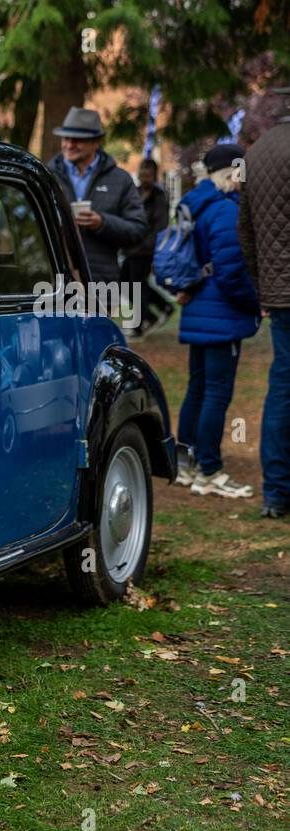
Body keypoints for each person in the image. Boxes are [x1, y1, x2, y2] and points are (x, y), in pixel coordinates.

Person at [174, 144, 260, 498]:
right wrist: (256, 303)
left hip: (198, 307)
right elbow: (231, 272)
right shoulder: (224, 211)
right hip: (221, 312)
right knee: (216, 392)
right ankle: (209, 470)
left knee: (198, 386)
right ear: (231, 173)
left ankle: (186, 461)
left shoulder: (194, 204)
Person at [238, 83, 290, 518]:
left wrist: (265, 289)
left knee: (282, 388)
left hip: (279, 293)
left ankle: (276, 492)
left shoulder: (255, 154)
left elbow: (246, 233)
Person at [46, 107, 147, 288]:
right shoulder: (46, 175)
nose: (69, 145)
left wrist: (102, 223)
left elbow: (138, 230)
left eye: (77, 140)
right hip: (53, 284)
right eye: (66, 138)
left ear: (96, 142)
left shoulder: (120, 180)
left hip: (102, 284)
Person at [121, 158, 170, 336]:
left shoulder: (159, 197)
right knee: (125, 282)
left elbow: (160, 227)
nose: (144, 177)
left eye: (148, 174)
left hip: (145, 250)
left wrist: (144, 245)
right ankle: (162, 307)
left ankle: (139, 323)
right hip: (130, 246)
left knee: (136, 285)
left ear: (154, 176)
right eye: (142, 173)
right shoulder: (134, 193)